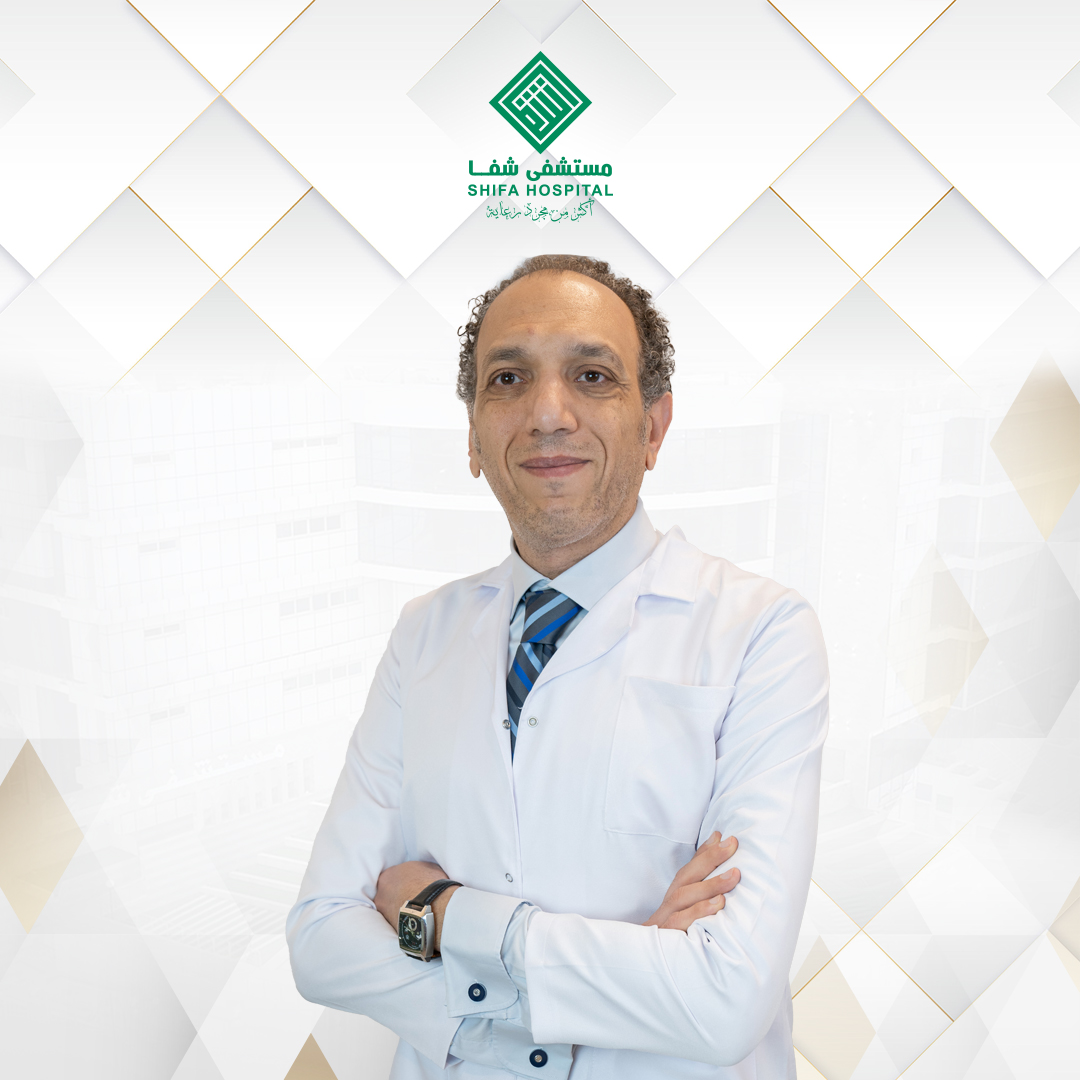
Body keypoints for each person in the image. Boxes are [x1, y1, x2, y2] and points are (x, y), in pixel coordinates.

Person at [286, 254, 829, 1079]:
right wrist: (619, 971)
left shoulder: (762, 633)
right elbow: (322, 939)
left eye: (592, 376)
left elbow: (725, 1000)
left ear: (653, 428)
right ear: (474, 437)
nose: (547, 412)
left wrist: (447, 915)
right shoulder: (424, 635)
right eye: (508, 379)